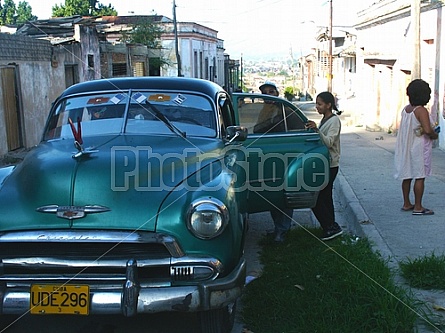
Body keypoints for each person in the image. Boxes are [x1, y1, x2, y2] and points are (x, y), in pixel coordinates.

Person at [394, 79, 439, 215]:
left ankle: (407, 203)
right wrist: (434, 135)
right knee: (420, 176)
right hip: (419, 147)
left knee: (407, 175)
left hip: (406, 147)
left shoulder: (406, 109)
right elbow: (427, 129)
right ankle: (418, 207)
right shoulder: (421, 110)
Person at [256, 81, 294, 242]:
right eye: (265, 93)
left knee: (285, 193)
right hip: (269, 155)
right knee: (272, 191)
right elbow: (257, 129)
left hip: (285, 154)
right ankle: (277, 227)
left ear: (277, 93)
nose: (268, 95)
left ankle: (283, 230)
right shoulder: (264, 110)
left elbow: (295, 130)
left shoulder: (286, 110)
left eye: (271, 92)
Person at [305, 91, 343, 241]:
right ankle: (331, 227)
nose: (317, 107)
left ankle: (330, 226)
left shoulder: (334, 121)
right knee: (326, 197)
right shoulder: (325, 119)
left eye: (320, 104)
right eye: (316, 104)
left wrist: (317, 130)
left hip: (331, 164)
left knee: (317, 197)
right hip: (325, 163)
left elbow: (328, 142)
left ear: (329, 105)